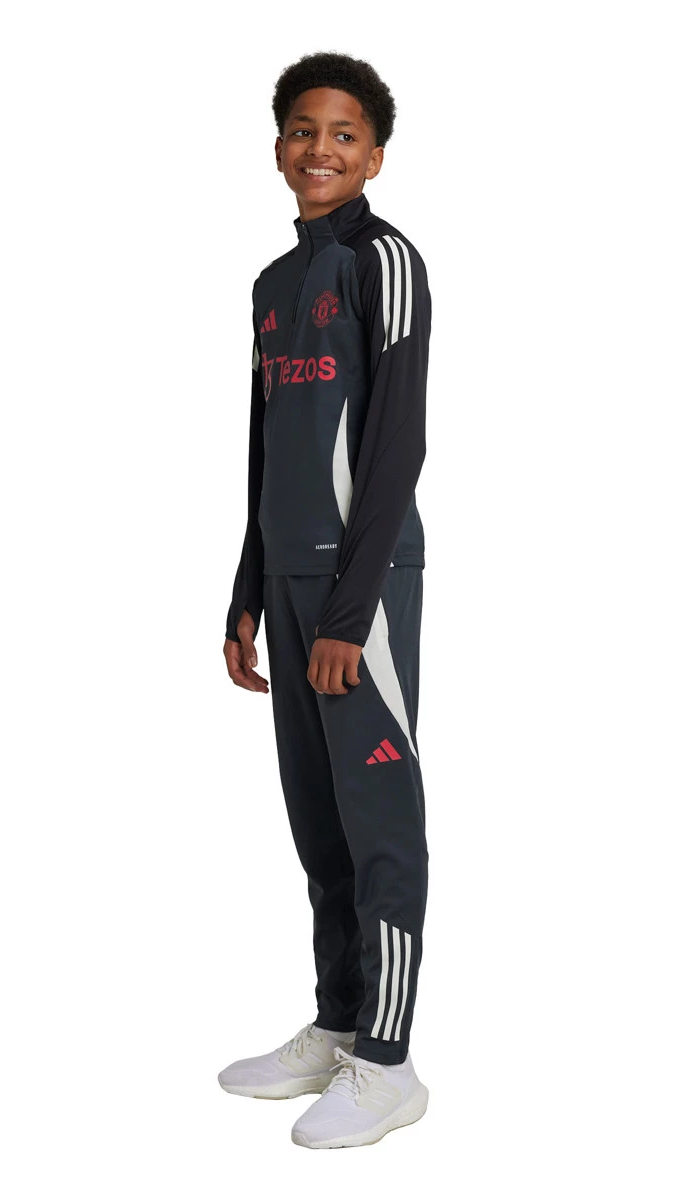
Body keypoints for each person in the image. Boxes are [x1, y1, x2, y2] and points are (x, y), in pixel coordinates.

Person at [220, 51, 432, 1150]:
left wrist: (350, 615)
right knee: (317, 819)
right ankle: (339, 1020)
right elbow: (269, 448)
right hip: (288, 580)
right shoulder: (272, 285)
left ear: (374, 156)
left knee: (378, 819)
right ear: (278, 148)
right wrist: (247, 592)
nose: (321, 149)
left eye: (344, 134)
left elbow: (395, 446)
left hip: (364, 587)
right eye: (304, 130)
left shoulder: (382, 262)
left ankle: (387, 1063)